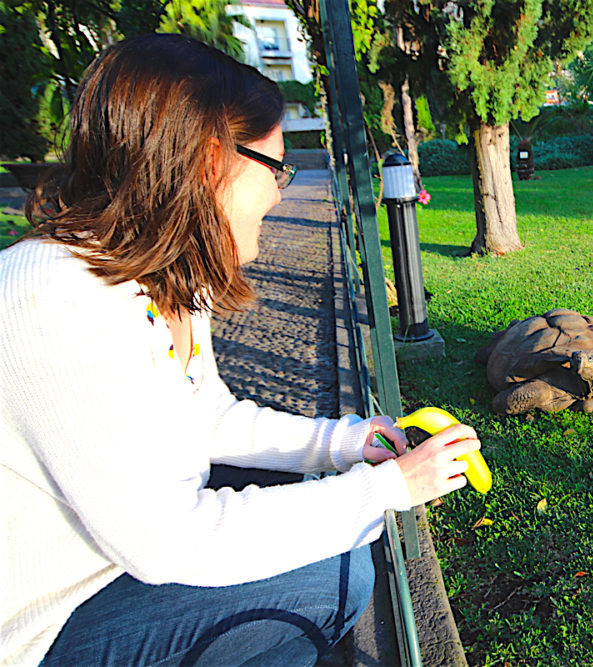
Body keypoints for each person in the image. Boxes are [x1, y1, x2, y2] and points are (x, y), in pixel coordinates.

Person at [0, 33, 481, 667]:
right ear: (206, 160)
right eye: (276, 167)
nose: (283, 188)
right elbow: (168, 541)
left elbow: (208, 419)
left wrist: (350, 443)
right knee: (333, 579)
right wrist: (388, 487)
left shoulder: (166, 273)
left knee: (326, 545)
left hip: (115, 557)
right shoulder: (51, 298)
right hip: (51, 619)